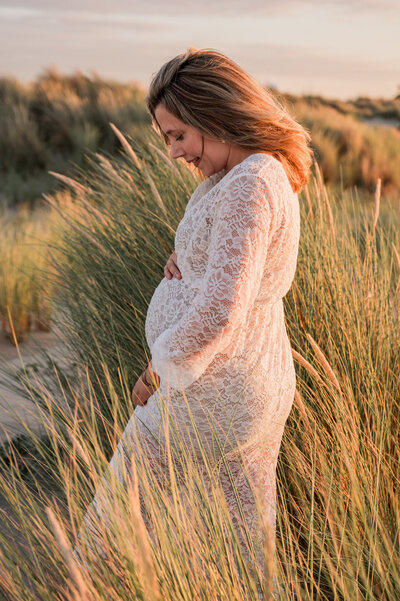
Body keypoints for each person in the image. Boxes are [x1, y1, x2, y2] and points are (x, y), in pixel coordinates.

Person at [73, 47, 312, 595]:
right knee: (241, 538)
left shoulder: (252, 181)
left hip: (213, 390)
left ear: (213, 113)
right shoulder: (244, 176)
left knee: (116, 524)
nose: (174, 152)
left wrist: (154, 372)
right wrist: (185, 260)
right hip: (240, 384)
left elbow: (222, 311)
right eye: (166, 139)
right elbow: (227, 274)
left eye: (178, 135)